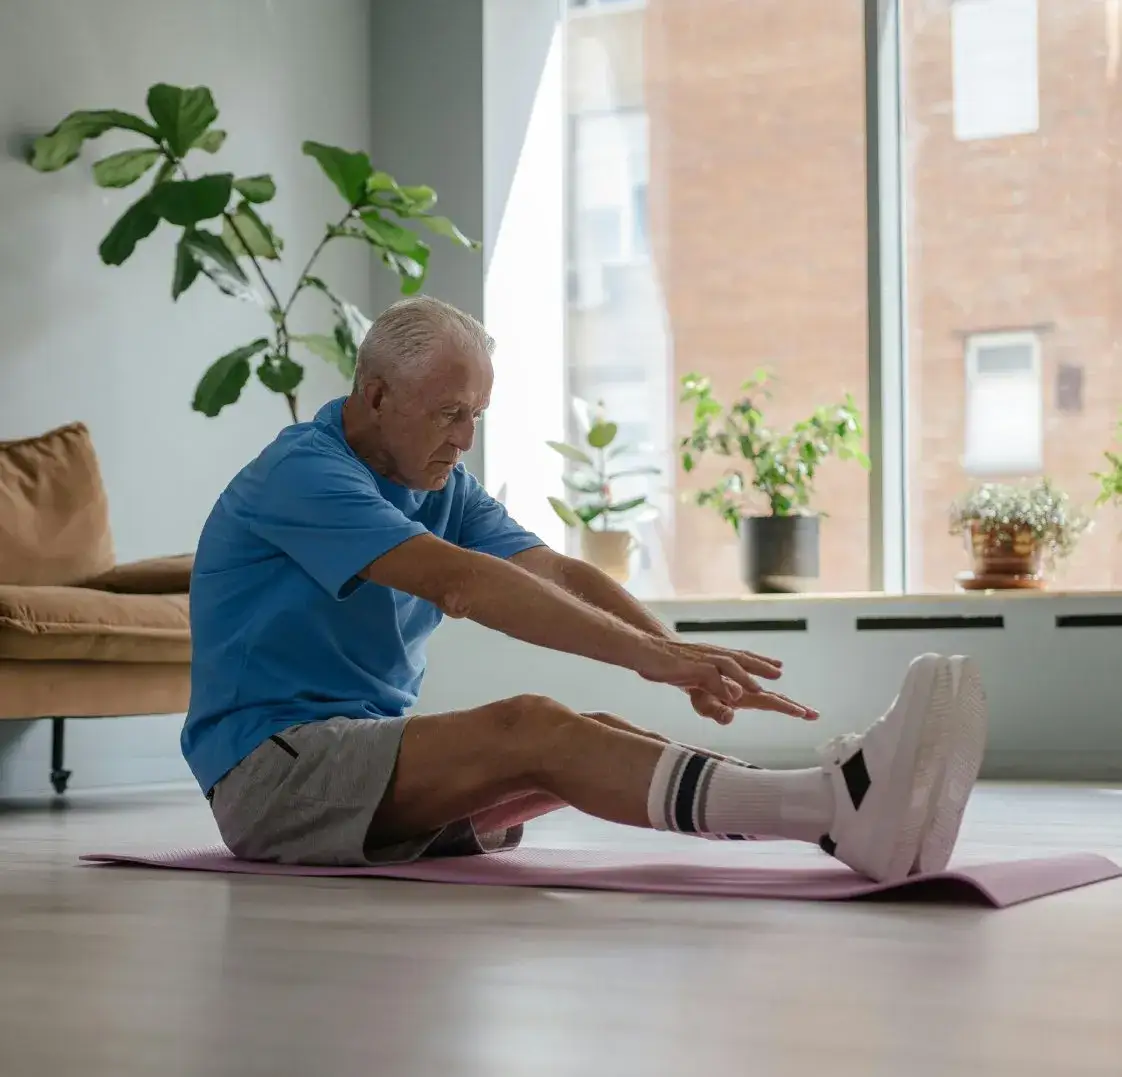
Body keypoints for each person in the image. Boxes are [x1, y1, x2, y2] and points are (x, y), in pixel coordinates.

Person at [182, 296, 988, 883]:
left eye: (478, 416)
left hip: (352, 761)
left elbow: (555, 570)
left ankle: (837, 815)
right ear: (377, 394)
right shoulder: (304, 474)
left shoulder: (436, 479)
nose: (464, 439)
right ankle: (838, 803)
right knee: (532, 725)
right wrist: (649, 655)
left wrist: (670, 652)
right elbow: (462, 583)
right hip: (272, 774)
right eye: (449, 413)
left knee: (584, 733)